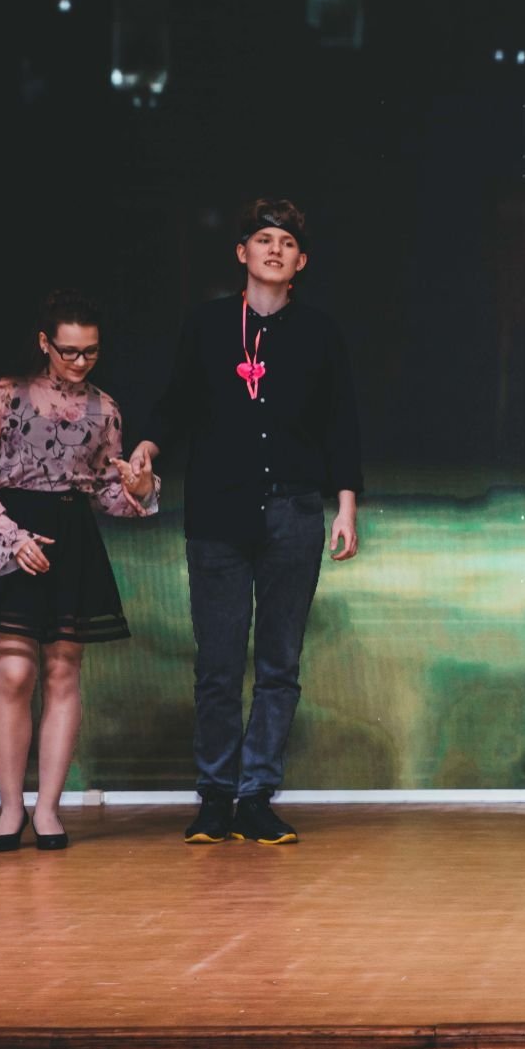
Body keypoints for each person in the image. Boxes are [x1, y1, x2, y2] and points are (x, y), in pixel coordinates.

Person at [130, 198, 362, 847]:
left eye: (286, 243)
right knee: (219, 663)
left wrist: (345, 504)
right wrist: (148, 445)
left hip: (293, 510)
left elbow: (340, 422)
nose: (274, 250)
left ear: (301, 261)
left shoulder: (319, 332)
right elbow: (177, 401)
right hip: (218, 514)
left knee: (279, 663)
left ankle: (257, 794)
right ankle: (214, 795)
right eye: (263, 239)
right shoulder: (208, 325)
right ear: (242, 252)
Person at [0, 291, 159, 852]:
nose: (80, 361)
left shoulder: (105, 409)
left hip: (71, 538)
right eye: (69, 351)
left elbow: (106, 492)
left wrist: (140, 489)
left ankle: (47, 809)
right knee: (14, 672)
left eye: (91, 351)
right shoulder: (4, 394)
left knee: (63, 672)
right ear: (45, 343)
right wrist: (12, 538)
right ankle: (9, 808)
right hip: (15, 532)